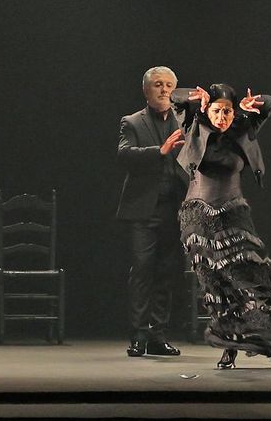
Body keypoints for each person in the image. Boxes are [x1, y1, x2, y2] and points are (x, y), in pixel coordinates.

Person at [177, 84, 271, 369]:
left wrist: (253, 103)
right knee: (216, 284)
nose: (222, 117)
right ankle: (229, 349)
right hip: (198, 218)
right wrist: (197, 98)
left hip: (233, 216)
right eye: (217, 110)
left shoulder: (243, 127)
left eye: (227, 111)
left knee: (251, 279)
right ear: (208, 110)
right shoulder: (194, 125)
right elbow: (176, 97)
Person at [115, 66, 191, 358]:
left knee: (167, 272)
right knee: (142, 271)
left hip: (174, 208)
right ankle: (138, 335)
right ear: (146, 90)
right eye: (158, 85)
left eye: (169, 85)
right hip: (144, 211)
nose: (164, 90)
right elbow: (124, 155)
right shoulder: (132, 122)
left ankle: (158, 336)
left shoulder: (184, 121)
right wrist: (159, 151)